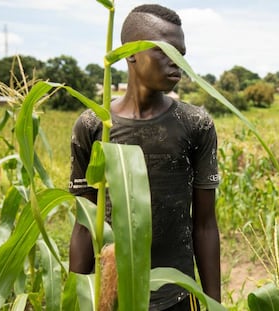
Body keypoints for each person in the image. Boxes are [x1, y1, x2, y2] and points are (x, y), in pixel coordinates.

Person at [69, 4, 221, 310]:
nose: (176, 62)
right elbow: (84, 225)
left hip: (178, 294)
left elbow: (205, 225)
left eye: (181, 53)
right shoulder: (93, 125)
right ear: (131, 53)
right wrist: (78, 298)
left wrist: (213, 303)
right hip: (110, 296)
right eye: (165, 50)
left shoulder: (196, 124)